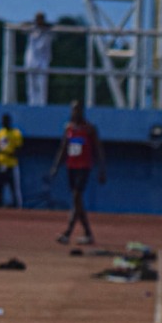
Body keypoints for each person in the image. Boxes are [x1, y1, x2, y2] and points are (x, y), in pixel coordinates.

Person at [50, 100, 106, 246]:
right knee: (77, 200)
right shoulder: (69, 128)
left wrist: (101, 169)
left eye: (77, 109)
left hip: (84, 166)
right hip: (71, 167)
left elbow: (98, 149)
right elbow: (63, 148)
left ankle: (68, 232)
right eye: (72, 110)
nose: (74, 112)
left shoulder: (90, 129)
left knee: (76, 196)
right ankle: (87, 233)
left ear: (82, 111)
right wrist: (56, 166)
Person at [0, 114, 24, 208]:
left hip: (12, 164)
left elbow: (19, 149)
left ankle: (18, 206)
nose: (3, 123)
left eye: (5, 121)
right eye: (2, 121)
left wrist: (8, 153)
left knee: (14, 188)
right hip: (1, 164)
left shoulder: (16, 133)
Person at [24, 12, 54, 107]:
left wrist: (45, 27)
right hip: (32, 58)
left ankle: (42, 104)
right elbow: (22, 27)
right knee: (31, 83)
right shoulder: (32, 29)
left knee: (42, 84)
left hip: (43, 59)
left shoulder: (48, 30)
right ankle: (31, 103)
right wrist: (31, 25)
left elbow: (55, 30)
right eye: (37, 19)